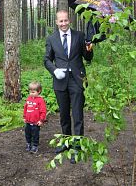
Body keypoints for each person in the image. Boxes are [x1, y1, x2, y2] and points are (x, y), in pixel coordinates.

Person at [44, 9, 93, 159]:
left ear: (69, 20)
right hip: (60, 80)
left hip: (77, 79)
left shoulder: (80, 36)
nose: (63, 23)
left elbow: (88, 58)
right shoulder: (51, 39)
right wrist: (54, 70)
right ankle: (66, 142)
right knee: (64, 115)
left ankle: (77, 146)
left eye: (66, 20)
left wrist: (89, 48)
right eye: (61, 21)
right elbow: (46, 60)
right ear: (57, 22)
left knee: (77, 114)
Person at [23, 81, 47, 154]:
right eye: (30, 92)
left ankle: (35, 146)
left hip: (36, 122)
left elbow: (43, 111)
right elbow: (25, 108)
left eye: (33, 92)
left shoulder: (40, 100)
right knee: (27, 133)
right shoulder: (28, 99)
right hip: (28, 121)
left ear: (38, 91)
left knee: (35, 134)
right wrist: (24, 117)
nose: (31, 93)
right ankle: (28, 143)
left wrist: (41, 120)